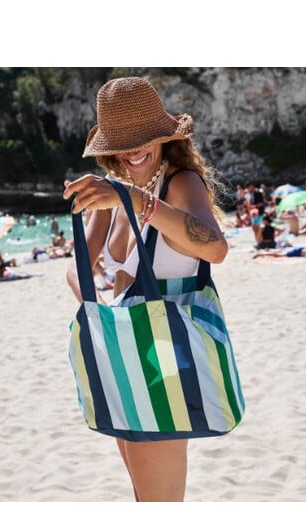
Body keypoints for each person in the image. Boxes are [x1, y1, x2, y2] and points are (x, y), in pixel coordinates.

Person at [64, 76, 229, 502]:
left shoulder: (180, 183)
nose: (132, 151)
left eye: (142, 139)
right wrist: (102, 306)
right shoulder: (112, 191)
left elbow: (215, 248)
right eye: (121, 143)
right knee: (144, 494)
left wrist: (136, 200)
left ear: (163, 136)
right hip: (123, 347)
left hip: (164, 354)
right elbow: (77, 269)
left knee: (159, 500)